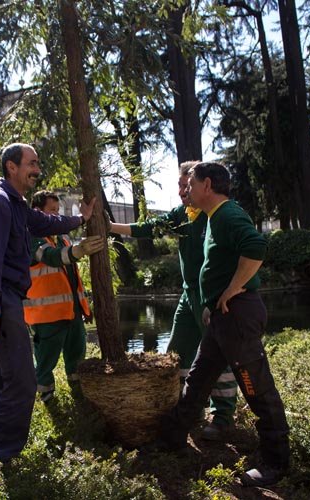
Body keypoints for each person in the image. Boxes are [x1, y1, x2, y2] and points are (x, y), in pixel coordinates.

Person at [0, 143, 96, 465]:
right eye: (31, 164)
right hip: (3, 299)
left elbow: (46, 223)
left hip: (9, 298)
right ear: (11, 167)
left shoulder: (16, 205)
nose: (37, 170)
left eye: (37, 164)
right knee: (22, 382)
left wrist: (80, 219)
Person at [156, 161, 290, 488]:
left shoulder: (228, 214)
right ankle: (172, 437)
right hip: (221, 316)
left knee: (257, 389)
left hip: (238, 315)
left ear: (208, 185)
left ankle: (276, 462)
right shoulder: (214, 217)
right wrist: (211, 304)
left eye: (192, 183)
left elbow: (256, 247)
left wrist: (232, 289)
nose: (186, 190)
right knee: (199, 378)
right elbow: (218, 266)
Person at [108, 161, 239, 439]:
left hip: (211, 297)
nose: (182, 191)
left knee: (218, 356)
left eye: (186, 185)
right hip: (188, 295)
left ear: (201, 185)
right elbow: (148, 227)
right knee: (177, 352)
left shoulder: (217, 213)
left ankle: (223, 416)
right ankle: (186, 407)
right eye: (180, 185)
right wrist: (109, 226)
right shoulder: (182, 214)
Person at [24, 191, 105, 403]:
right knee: (45, 359)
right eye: (52, 211)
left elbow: (71, 276)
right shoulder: (30, 238)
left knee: (77, 354)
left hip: (71, 311)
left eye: (58, 211)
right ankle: (46, 396)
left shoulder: (62, 238)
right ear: (37, 212)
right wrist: (78, 251)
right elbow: (51, 258)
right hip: (46, 315)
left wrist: (82, 307)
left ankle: (77, 390)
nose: (56, 216)